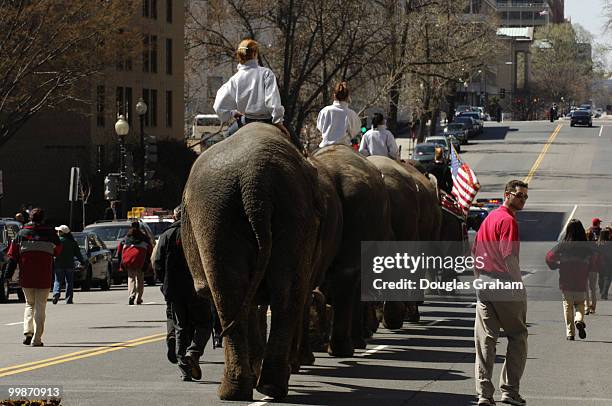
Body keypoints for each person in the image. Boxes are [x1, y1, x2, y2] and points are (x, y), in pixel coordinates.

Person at [471, 180, 529, 406]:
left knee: (486, 340)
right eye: (519, 195)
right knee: (518, 336)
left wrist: (478, 279)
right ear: (507, 195)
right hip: (504, 283)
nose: (522, 199)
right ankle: (510, 390)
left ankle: (484, 394)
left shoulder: (489, 219)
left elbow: (475, 251)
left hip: (484, 283)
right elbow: (509, 256)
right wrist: (518, 285)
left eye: (525, 196)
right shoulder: (508, 221)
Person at [153, 205, 212, 381]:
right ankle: (193, 352)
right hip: (196, 288)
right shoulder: (197, 234)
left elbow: (157, 262)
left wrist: (164, 284)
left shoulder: (167, 235)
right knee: (205, 323)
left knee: (180, 327)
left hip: (175, 290)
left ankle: (185, 368)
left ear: (174, 216)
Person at [213, 39, 292, 142]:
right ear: (255, 53)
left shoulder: (235, 79)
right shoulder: (266, 73)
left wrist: (232, 113)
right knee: (295, 145)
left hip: (245, 121)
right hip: (268, 121)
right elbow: (273, 102)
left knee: (225, 139)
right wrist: (278, 121)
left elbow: (218, 106)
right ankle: (304, 153)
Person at [4, 208, 62, 346]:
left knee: (29, 304)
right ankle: (37, 339)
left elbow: (12, 256)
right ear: (42, 218)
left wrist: (7, 275)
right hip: (44, 275)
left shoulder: (21, 233)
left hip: (27, 276)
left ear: (30, 218)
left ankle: (27, 332)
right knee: (40, 306)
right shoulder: (50, 233)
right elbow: (58, 250)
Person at [545, 220, 593, 340]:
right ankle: (579, 320)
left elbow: (549, 257)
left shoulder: (563, 246)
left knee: (567, 306)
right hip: (580, 281)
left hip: (566, 281)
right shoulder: (586, 247)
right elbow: (594, 260)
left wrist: (556, 265)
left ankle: (570, 333)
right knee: (580, 304)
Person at [316, 82, 361, 148]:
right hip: (345, 146)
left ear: (334, 95)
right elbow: (356, 130)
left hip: (325, 145)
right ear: (347, 97)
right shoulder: (351, 114)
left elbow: (320, 127)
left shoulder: (325, 111)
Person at [117, 222, 152, 305]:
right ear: (139, 227)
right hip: (140, 260)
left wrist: (120, 261)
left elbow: (119, 249)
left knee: (131, 278)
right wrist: (148, 260)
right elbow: (150, 249)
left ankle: (131, 295)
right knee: (140, 279)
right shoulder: (144, 238)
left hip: (129, 260)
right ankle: (139, 298)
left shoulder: (127, 237)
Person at [52, 225, 85, 305]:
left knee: (58, 280)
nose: (57, 233)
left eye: (59, 231)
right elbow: (78, 254)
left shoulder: (57, 241)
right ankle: (68, 299)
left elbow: (52, 252)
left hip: (58, 264)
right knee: (69, 282)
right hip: (69, 264)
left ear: (62, 233)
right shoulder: (73, 242)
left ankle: (56, 294)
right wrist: (82, 262)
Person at [585, 218, 602, 314]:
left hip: (585, 268)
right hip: (593, 269)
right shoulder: (595, 247)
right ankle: (593, 307)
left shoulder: (584, 247)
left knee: (585, 288)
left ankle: (587, 306)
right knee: (593, 288)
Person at [594, 228, 612, 300]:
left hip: (599, 262)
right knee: (608, 277)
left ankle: (602, 290)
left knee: (601, 276)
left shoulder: (598, 243)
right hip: (608, 262)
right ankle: (604, 293)